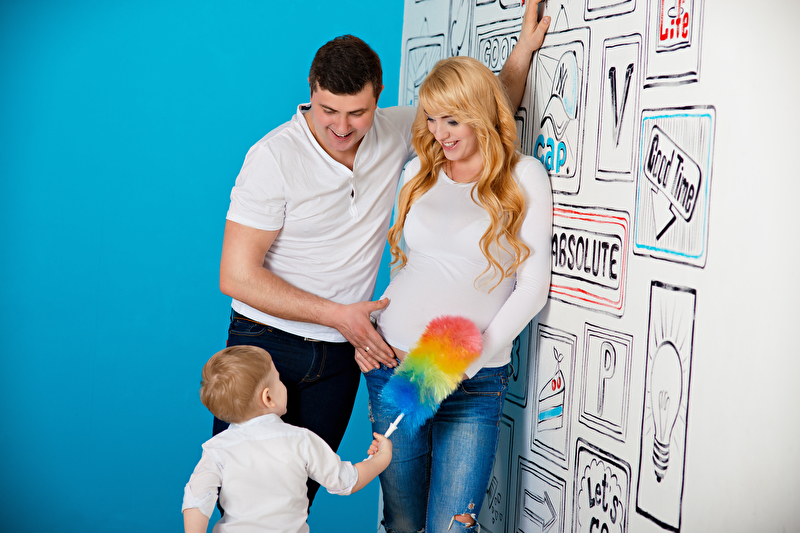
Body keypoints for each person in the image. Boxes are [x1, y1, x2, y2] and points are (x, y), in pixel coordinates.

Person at [216, 0, 550, 507]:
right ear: (310, 93)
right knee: (246, 499)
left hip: (342, 353)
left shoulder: (396, 132)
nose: (342, 126)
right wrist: (339, 316)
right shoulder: (273, 158)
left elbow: (481, 108)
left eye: (357, 112)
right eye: (328, 110)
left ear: (379, 98)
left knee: (297, 499)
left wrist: (524, 48)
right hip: (269, 343)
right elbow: (236, 276)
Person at [363, 56, 553, 532]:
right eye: (431, 118)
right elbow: (409, 263)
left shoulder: (523, 175)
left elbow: (532, 288)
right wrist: (369, 334)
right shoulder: (417, 172)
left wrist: (464, 362)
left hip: (475, 379)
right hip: (394, 367)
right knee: (403, 523)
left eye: (452, 120)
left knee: (452, 526)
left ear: (481, 113)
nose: (439, 133)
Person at [182, 345, 392, 533]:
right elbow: (346, 481)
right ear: (268, 398)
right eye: (278, 379)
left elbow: (197, 499)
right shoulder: (301, 440)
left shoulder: (217, 449)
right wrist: (382, 458)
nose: (284, 385)